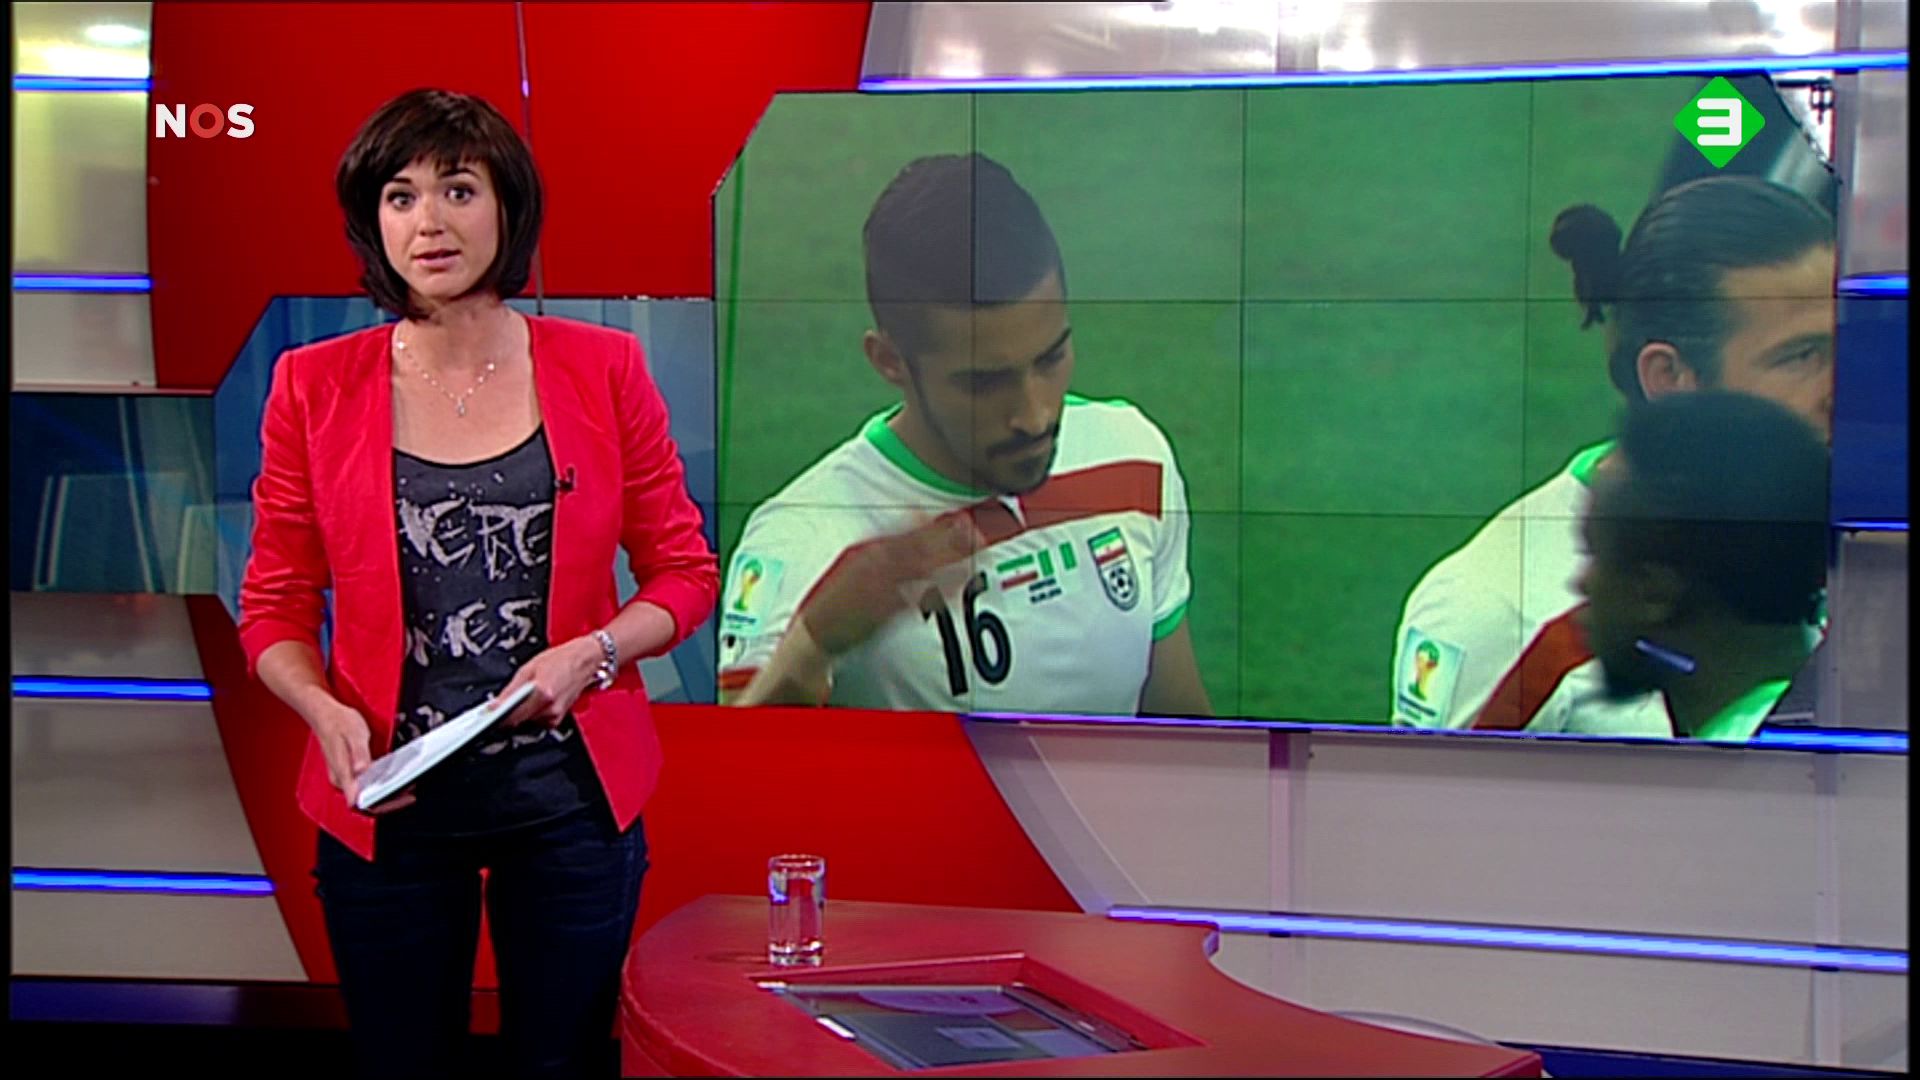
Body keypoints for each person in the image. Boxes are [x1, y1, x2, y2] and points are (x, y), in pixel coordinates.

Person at [239, 89, 718, 1078]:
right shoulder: (311, 386)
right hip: (389, 801)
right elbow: (274, 605)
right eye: (401, 196)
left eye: (458, 189)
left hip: (567, 797)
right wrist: (322, 709)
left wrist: (594, 653)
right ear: (374, 221)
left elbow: (683, 572)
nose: (430, 221)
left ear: (508, 209)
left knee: (562, 1060)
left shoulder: (604, 368)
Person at [718, 153, 1211, 717]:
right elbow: (730, 766)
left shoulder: (1132, 456)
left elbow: (1182, 728)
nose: (1034, 415)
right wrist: (814, 643)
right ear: (890, 361)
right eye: (984, 382)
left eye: (1051, 358)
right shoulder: (808, 538)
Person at [1389, 175, 1833, 735]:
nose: (1848, 389)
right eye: (1801, 357)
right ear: (1670, 379)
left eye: (1855, 343)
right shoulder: (1501, 612)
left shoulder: (1865, 532)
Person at [1574, 392, 1828, 741]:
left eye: (1594, 554)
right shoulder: (1826, 729)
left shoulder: (1732, 767)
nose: (1581, 584)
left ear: (1654, 591)